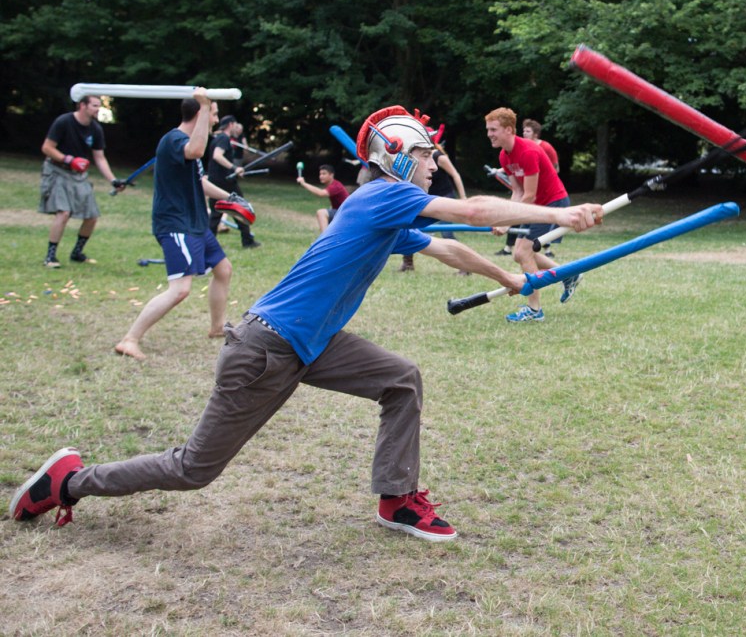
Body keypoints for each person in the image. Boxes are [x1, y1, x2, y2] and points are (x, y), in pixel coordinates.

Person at [9, 105, 603, 541]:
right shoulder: (382, 196)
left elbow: (448, 248)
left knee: (400, 379)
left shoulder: (384, 208)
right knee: (194, 470)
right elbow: (474, 211)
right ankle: (68, 481)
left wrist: (511, 280)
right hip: (266, 348)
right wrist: (558, 212)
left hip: (311, 344)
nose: (432, 163)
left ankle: (396, 501)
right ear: (398, 159)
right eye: (425, 155)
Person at [113, 91, 237, 361]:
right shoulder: (174, 140)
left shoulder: (188, 144)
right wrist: (205, 106)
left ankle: (217, 327)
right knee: (180, 289)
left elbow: (199, 182)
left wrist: (231, 198)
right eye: (212, 113)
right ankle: (129, 339)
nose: (215, 119)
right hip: (175, 224)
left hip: (194, 222)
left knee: (223, 270)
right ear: (199, 112)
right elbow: (195, 150)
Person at [485, 107, 581, 322]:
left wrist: (507, 224)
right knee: (520, 254)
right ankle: (569, 273)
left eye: (494, 129)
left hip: (552, 205)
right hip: (535, 205)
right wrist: (503, 219)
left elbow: (529, 195)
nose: (489, 134)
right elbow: (517, 192)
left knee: (524, 253)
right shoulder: (504, 155)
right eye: (488, 129)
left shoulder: (528, 152)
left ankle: (535, 310)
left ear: (509, 129)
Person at [38, 95, 123, 268]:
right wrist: (69, 160)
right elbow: (47, 148)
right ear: (82, 105)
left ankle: (77, 252)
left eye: (99, 106)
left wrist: (113, 180)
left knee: (91, 216)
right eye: (94, 105)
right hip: (57, 171)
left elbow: (99, 158)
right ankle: (50, 257)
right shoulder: (64, 122)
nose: (97, 109)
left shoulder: (95, 129)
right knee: (64, 212)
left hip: (79, 176)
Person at [399, 136, 467, 273]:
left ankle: (464, 267)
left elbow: (456, 175)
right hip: (426, 199)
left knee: (446, 233)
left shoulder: (438, 156)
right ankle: (408, 264)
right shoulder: (412, 158)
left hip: (444, 197)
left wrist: (464, 198)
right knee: (408, 228)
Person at [207, 115, 260, 249]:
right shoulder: (224, 138)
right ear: (230, 124)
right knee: (240, 208)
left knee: (215, 214)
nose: (236, 127)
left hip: (214, 180)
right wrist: (234, 168)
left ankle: (207, 244)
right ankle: (247, 241)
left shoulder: (216, 138)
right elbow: (217, 156)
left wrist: (234, 170)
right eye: (235, 125)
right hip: (225, 182)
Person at [523, 118, 562, 257]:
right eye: (524, 130)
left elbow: (555, 169)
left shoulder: (546, 147)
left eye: (528, 131)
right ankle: (511, 248)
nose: (524, 133)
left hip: (548, 193)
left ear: (536, 134)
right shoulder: (524, 148)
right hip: (533, 193)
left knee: (544, 221)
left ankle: (547, 250)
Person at [296, 163, 350, 233]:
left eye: (324, 174)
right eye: (320, 174)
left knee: (321, 213)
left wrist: (304, 184)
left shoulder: (336, 186)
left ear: (331, 175)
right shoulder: (333, 185)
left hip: (347, 214)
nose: (321, 176)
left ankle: (324, 240)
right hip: (341, 213)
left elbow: (321, 193)